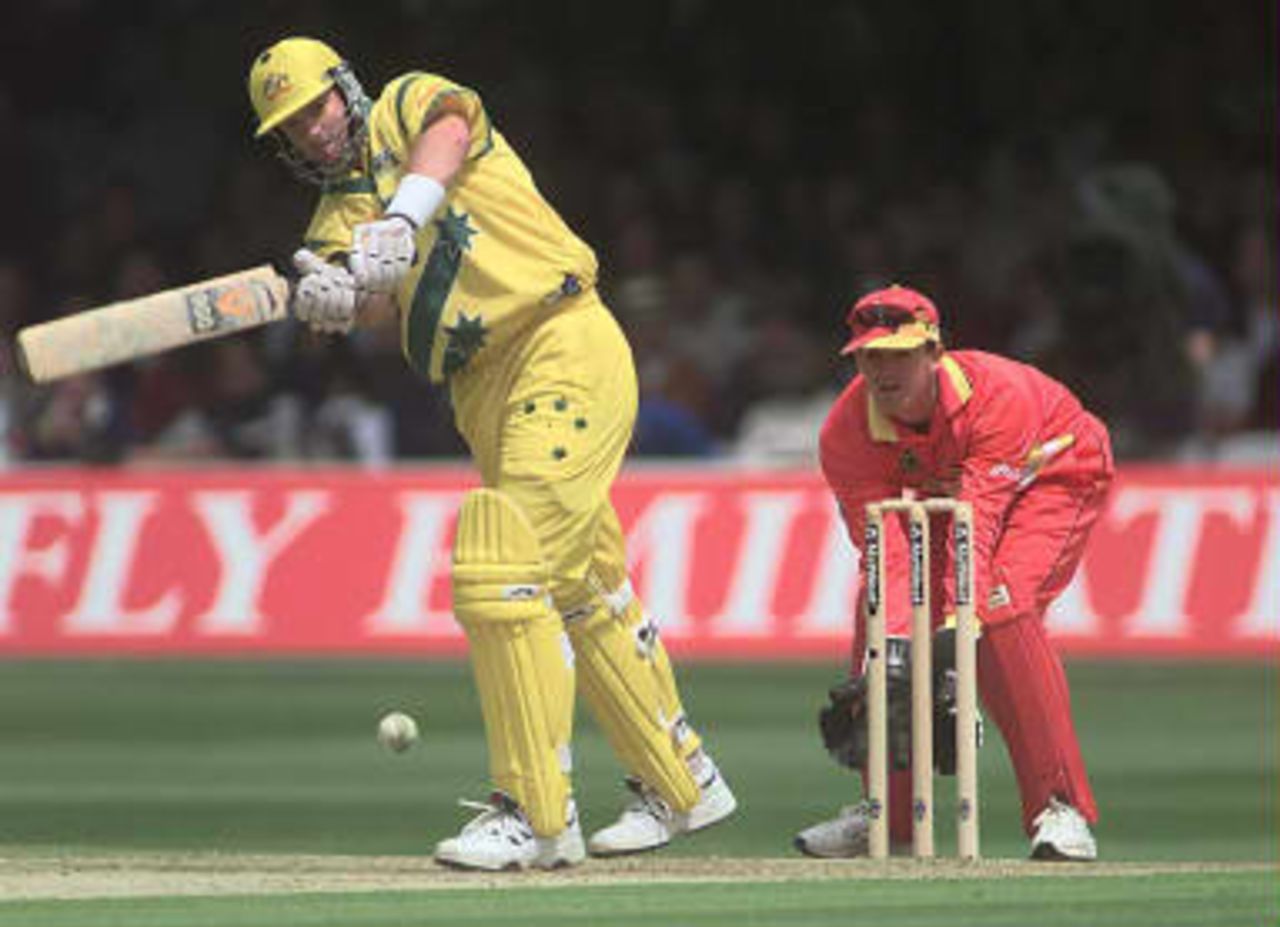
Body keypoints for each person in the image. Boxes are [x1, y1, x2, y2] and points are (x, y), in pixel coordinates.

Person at [245, 37, 736, 871]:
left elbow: (452, 127)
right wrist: (337, 297)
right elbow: (371, 300)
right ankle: (682, 782)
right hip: (482, 391)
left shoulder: (406, 106)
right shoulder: (336, 218)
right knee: (579, 582)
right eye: (291, 129)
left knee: (500, 562)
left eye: (315, 108)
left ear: (344, 88)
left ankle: (536, 813)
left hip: (559, 341)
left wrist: (403, 216)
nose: (313, 133)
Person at [795, 283, 1112, 861]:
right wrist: (892, 661)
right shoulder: (845, 433)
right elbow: (886, 550)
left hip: (1055, 474)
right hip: (955, 492)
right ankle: (886, 818)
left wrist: (944, 651)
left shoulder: (998, 399)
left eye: (900, 355)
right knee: (879, 619)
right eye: (871, 357)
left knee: (999, 604)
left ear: (933, 353)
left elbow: (977, 533)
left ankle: (1059, 809)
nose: (884, 371)